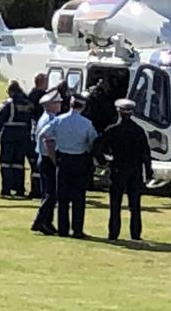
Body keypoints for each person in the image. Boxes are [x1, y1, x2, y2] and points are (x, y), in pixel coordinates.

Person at [94, 99, 153, 240]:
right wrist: (148, 171)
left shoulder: (113, 130)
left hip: (118, 169)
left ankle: (113, 233)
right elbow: (146, 154)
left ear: (118, 112)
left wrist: (103, 161)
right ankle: (135, 233)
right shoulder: (139, 130)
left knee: (115, 205)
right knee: (135, 206)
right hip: (135, 171)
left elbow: (97, 147)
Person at [41, 94, 98, 238]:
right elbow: (93, 142)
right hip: (80, 160)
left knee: (63, 197)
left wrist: (52, 154)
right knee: (79, 197)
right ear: (83, 107)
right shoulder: (87, 123)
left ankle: (63, 229)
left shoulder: (59, 120)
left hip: (63, 160)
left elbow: (43, 135)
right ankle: (77, 229)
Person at [30, 89, 63, 235]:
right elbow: (49, 143)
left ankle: (46, 222)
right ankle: (40, 220)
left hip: (43, 157)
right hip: (47, 158)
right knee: (51, 193)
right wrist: (55, 161)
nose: (60, 104)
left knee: (48, 193)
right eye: (58, 102)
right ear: (50, 105)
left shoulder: (45, 117)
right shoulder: (50, 120)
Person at [0, 80, 34, 197]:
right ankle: (19, 190)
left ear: (11, 91)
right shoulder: (27, 103)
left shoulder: (9, 103)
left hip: (9, 135)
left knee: (6, 163)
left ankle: (6, 189)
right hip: (23, 136)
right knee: (19, 164)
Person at [27, 73, 48, 199]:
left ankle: (36, 189)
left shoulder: (30, 95)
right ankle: (38, 189)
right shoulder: (41, 96)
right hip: (37, 132)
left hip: (32, 132)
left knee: (34, 164)